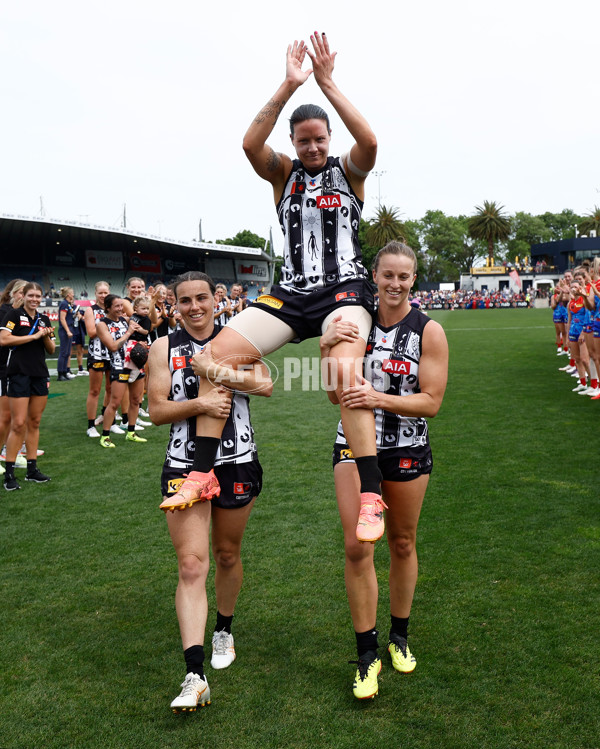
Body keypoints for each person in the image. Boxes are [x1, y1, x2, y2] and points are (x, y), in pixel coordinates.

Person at [172, 33, 383, 544]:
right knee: (210, 354)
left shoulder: (348, 174)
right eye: (303, 140)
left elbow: (371, 143)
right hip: (289, 294)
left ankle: (371, 493)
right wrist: (289, 84)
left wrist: (327, 82)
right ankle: (202, 473)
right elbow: (249, 144)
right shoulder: (282, 175)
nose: (312, 146)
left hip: (344, 292)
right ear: (293, 144)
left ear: (329, 138)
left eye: (319, 138)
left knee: (344, 371)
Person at [320, 242, 448, 699]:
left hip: (408, 447)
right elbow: (336, 396)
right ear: (374, 275)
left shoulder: (428, 331)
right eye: (387, 274)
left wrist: (379, 399)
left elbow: (430, 402)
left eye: (404, 276)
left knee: (402, 541)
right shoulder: (357, 324)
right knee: (357, 547)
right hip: (354, 447)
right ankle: (365, 654)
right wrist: (325, 351)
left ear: (415, 279)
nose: (395, 283)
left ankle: (399, 636)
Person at [147, 271, 272, 712]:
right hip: (184, 465)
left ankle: (224, 627)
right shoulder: (163, 347)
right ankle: (194, 674)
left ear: (216, 300)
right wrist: (200, 403)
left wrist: (215, 370)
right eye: (185, 301)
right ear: (174, 305)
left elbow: (265, 384)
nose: (195, 307)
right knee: (191, 564)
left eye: (202, 298)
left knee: (225, 555)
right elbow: (157, 409)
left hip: (238, 459)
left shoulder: (239, 340)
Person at [0, 282, 56, 490]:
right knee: (18, 423)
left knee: (34, 422)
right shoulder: (14, 315)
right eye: (30, 295)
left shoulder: (43, 319)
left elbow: (50, 349)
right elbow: (4, 339)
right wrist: (33, 336)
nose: (34, 299)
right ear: (22, 296)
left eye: (38, 296)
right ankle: (10, 474)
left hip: (39, 374)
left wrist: (47, 335)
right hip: (18, 373)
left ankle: (32, 470)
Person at [94, 294, 147, 447]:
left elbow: (139, 334)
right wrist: (129, 332)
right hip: (119, 366)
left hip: (135, 364)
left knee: (136, 400)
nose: (120, 309)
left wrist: (139, 344)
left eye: (121, 306)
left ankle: (131, 432)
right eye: (116, 306)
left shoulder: (124, 320)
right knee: (115, 403)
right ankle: (105, 436)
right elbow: (113, 346)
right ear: (108, 307)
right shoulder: (102, 324)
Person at [0, 280, 27, 474]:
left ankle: (13, 451)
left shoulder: (26, 314)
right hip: (3, 369)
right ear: (13, 293)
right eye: (22, 293)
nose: (24, 297)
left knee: (18, 417)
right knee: (5, 417)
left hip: (21, 370)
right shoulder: (4, 312)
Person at [57, 286, 77, 381]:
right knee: (64, 352)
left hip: (69, 329)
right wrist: (68, 331)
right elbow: (62, 319)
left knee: (67, 352)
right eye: (72, 293)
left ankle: (64, 372)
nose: (73, 294)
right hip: (65, 330)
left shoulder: (68, 304)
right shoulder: (64, 304)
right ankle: (60, 373)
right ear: (68, 294)